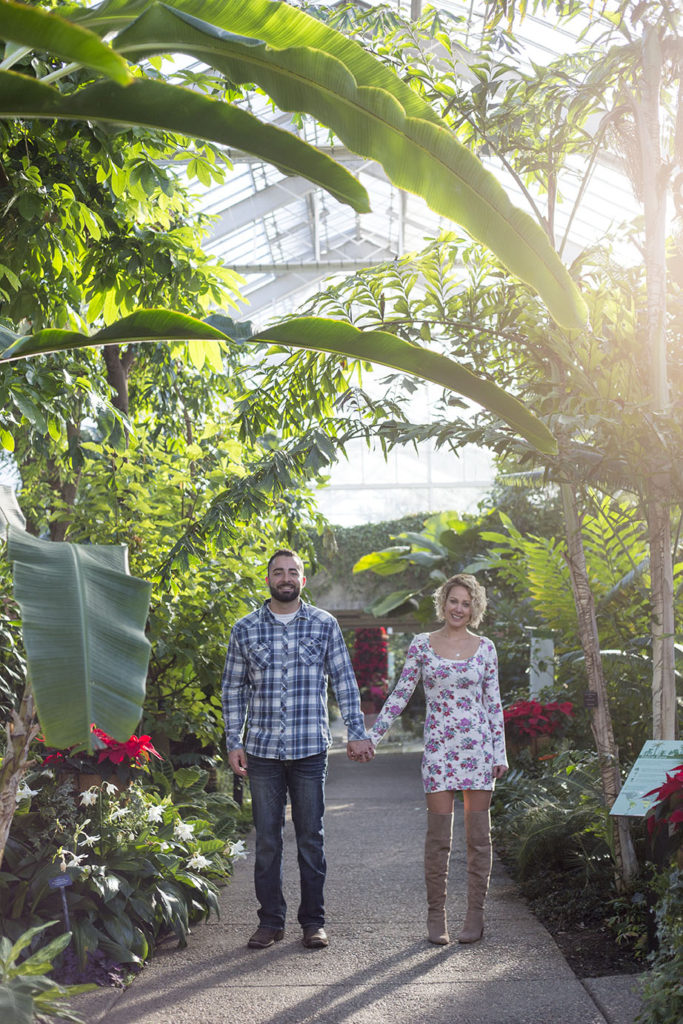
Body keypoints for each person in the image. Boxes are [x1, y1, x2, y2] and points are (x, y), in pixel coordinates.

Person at [221, 548, 374, 952]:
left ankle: (313, 922)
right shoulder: (245, 629)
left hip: (309, 750)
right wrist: (234, 740)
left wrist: (357, 732)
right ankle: (270, 922)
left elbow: (343, 680)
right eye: (278, 571)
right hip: (263, 752)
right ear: (268, 578)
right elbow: (233, 689)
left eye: (293, 572)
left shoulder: (325, 624)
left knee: (311, 837)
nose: (285, 577)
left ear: (303, 580)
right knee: (268, 840)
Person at [367, 573, 507, 945]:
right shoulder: (421, 645)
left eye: (466, 602)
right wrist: (373, 735)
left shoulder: (486, 648)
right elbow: (401, 693)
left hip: (478, 751)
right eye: (453, 601)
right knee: (438, 839)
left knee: (478, 839)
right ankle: (436, 916)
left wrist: (500, 752)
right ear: (443, 603)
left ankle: (475, 916)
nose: (459, 608)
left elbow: (493, 704)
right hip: (439, 752)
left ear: (474, 608)